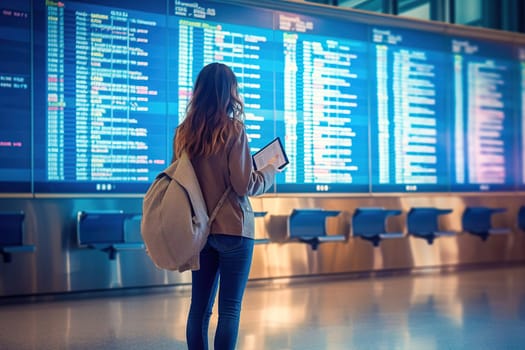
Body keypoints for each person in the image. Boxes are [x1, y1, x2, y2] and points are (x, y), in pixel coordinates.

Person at [172, 62, 278, 350]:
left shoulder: (183, 134)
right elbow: (244, 185)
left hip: (200, 232)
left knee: (199, 309)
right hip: (234, 230)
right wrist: (269, 171)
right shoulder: (233, 131)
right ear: (229, 93)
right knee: (229, 310)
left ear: (199, 92)